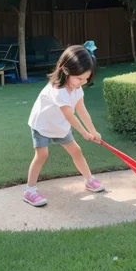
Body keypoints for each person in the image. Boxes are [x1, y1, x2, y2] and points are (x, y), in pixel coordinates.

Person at [24, 44, 104, 207]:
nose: (83, 82)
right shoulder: (58, 90)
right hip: (42, 126)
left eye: (86, 78)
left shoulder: (76, 88)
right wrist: (84, 132)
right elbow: (70, 115)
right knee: (42, 156)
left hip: (59, 126)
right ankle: (29, 191)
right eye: (79, 78)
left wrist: (93, 130)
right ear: (66, 71)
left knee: (76, 151)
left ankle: (89, 180)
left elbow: (81, 109)